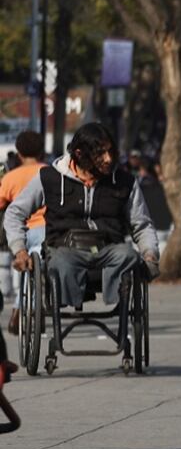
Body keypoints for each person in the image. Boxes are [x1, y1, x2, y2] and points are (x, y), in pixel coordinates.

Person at [6, 123, 159, 309]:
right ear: (79, 154)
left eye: (110, 152)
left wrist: (150, 254)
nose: (108, 159)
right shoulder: (50, 177)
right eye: (100, 153)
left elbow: (141, 224)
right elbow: (15, 213)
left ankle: (119, 304)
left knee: (129, 255)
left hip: (108, 249)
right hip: (64, 248)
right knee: (61, 260)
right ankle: (66, 298)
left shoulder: (124, 181)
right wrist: (20, 250)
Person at [2, 131, 47, 335]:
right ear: (42, 151)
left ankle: (19, 309)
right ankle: (32, 306)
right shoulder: (51, 172)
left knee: (26, 267)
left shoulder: (11, 177)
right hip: (51, 230)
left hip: (25, 231)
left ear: (19, 153)